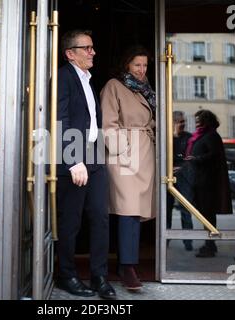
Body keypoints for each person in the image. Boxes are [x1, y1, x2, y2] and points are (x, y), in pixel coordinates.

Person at [56, 29, 116, 299]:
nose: (93, 52)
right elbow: (61, 118)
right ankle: (66, 275)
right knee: (71, 222)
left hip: (94, 156)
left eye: (92, 47)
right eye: (87, 48)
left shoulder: (88, 79)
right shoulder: (63, 76)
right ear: (71, 53)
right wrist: (73, 160)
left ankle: (99, 277)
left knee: (100, 219)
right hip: (75, 159)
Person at [100, 45, 156, 291]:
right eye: (137, 65)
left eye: (145, 65)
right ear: (126, 65)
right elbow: (107, 122)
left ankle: (128, 263)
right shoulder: (114, 85)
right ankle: (127, 266)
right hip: (125, 155)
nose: (142, 70)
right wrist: (122, 150)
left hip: (144, 153)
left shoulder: (146, 89)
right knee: (128, 210)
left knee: (135, 211)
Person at [183, 109, 232, 258]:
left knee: (208, 215)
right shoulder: (203, 135)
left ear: (206, 121)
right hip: (201, 181)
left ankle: (210, 245)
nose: (196, 122)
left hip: (208, 184)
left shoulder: (211, 135)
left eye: (199, 120)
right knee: (205, 215)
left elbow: (213, 155)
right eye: (196, 119)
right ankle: (209, 244)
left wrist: (196, 159)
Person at [166, 111, 193, 251]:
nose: (183, 124)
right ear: (173, 122)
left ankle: (188, 242)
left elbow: (191, 158)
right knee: (166, 210)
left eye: (183, 121)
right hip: (168, 177)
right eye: (180, 121)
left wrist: (181, 167)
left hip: (183, 177)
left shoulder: (189, 137)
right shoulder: (167, 137)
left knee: (186, 209)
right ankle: (165, 240)